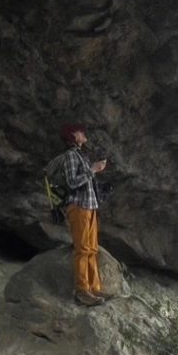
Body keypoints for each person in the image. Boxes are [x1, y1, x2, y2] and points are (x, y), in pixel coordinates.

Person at [58, 123, 110, 306]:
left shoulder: (81, 156)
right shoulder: (70, 156)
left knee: (92, 249)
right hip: (79, 207)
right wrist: (92, 169)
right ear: (74, 135)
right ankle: (82, 291)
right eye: (80, 131)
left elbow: (85, 181)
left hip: (89, 207)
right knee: (82, 249)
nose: (84, 133)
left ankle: (94, 288)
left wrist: (94, 171)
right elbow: (72, 182)